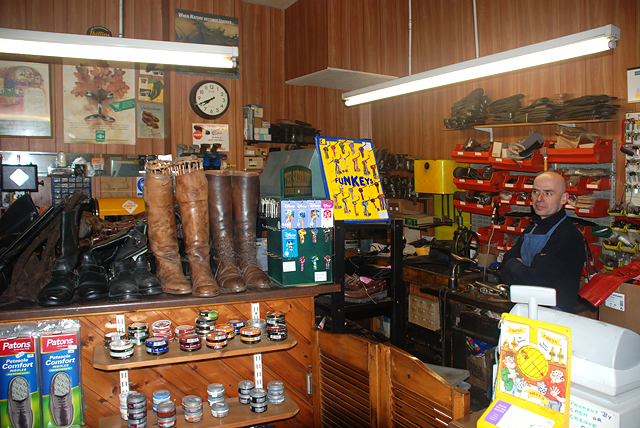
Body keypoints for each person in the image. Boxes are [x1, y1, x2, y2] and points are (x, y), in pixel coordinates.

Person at [500, 171, 586, 313]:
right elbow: (505, 274)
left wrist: (512, 264)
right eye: (536, 192)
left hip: (554, 316)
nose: (539, 199)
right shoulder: (531, 230)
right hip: (524, 308)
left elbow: (536, 280)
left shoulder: (567, 236)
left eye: (548, 193)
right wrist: (517, 268)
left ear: (564, 198)